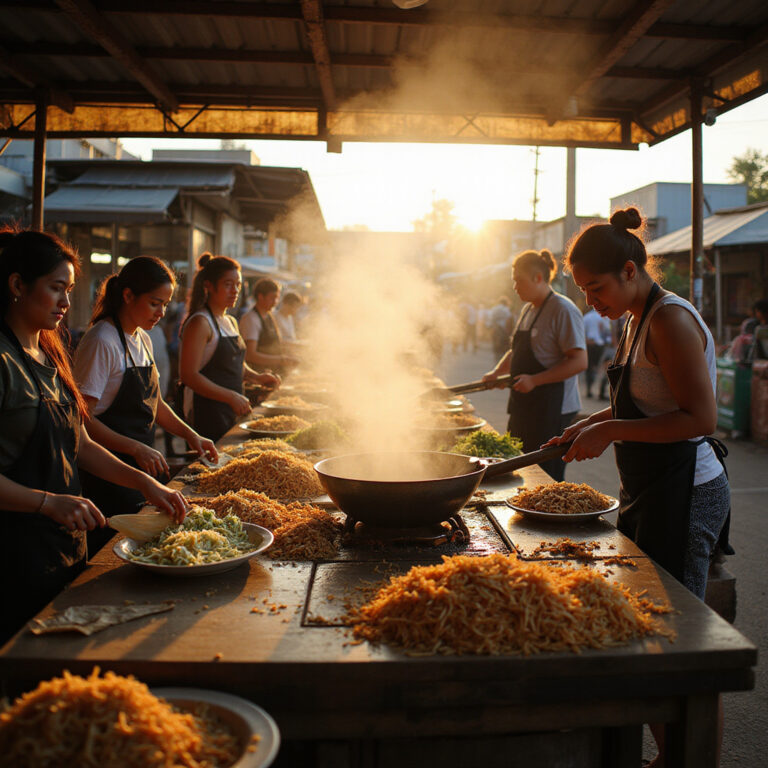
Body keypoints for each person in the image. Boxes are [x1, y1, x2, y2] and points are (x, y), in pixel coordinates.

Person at [545, 207, 732, 767]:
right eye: (582, 290)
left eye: (595, 287)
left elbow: (701, 419)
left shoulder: (670, 319)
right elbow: (646, 398)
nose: (590, 302)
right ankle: (669, 753)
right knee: (646, 622)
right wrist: (591, 422)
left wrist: (612, 430)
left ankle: (691, 757)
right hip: (651, 485)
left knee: (680, 636)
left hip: (687, 490)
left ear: (630, 270)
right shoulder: (632, 318)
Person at [0, 228, 187, 643]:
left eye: (70, 289)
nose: (67, 302)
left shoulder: (50, 354)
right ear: (17, 284)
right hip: (14, 553)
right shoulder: (4, 362)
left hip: (64, 545)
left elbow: (81, 444)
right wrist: (47, 502)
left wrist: (145, 481)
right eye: (56, 289)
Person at [73, 257, 217, 552]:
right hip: (107, 475)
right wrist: (135, 447)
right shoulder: (102, 340)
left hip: (141, 473)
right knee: (112, 551)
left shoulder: (143, 338)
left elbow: (156, 404)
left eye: (165, 304)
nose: (161, 313)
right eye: (155, 303)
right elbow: (81, 419)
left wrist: (191, 435)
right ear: (127, 295)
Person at [482, 249, 587, 481]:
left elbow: (579, 361)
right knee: (518, 468)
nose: (515, 287)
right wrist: (497, 374)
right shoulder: (528, 309)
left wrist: (535, 380)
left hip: (553, 409)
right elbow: (515, 351)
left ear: (538, 278)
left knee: (545, 476)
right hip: (524, 405)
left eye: (518, 280)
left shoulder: (563, 309)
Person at [178, 254, 279, 442]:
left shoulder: (230, 321)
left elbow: (235, 363)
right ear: (208, 285)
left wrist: (257, 377)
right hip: (207, 412)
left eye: (238, 285)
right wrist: (230, 397)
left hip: (230, 408)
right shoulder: (200, 323)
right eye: (228, 284)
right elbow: (188, 376)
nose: (235, 291)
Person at [240, 277, 298, 374]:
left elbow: (276, 343)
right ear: (260, 297)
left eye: (277, 298)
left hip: (272, 372)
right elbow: (250, 355)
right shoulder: (251, 319)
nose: (275, 302)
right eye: (272, 298)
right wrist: (281, 360)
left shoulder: (269, 315)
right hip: (257, 374)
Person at [582, 306, 611, 398]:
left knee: (589, 367)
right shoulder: (603, 317)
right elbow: (607, 333)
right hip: (599, 345)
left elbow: (582, 332)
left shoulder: (586, 317)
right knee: (598, 367)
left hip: (589, 344)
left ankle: (589, 389)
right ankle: (599, 391)